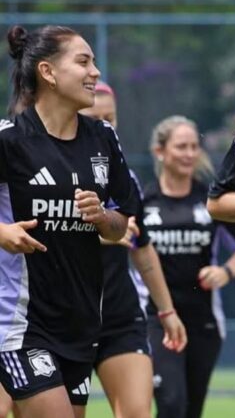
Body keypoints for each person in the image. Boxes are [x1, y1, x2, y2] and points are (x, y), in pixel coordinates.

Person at [0, 25, 136, 417]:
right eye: (83, 61)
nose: (95, 72)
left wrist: (101, 216)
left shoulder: (103, 139)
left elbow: (120, 225)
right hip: (21, 323)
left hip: (79, 323)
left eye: (93, 62)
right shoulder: (11, 140)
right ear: (48, 72)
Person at [80, 82, 187, 418]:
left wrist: (167, 311)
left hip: (119, 316)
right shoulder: (53, 171)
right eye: (96, 118)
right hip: (64, 316)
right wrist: (105, 233)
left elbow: (142, 246)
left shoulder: (124, 178)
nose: (105, 126)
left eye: (111, 118)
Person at [145, 115, 235, 418]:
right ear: (160, 152)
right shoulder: (144, 200)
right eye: (181, 146)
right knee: (170, 403)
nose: (190, 153)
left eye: (194, 146)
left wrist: (225, 272)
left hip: (203, 321)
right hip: (157, 318)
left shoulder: (211, 199)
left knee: (191, 410)